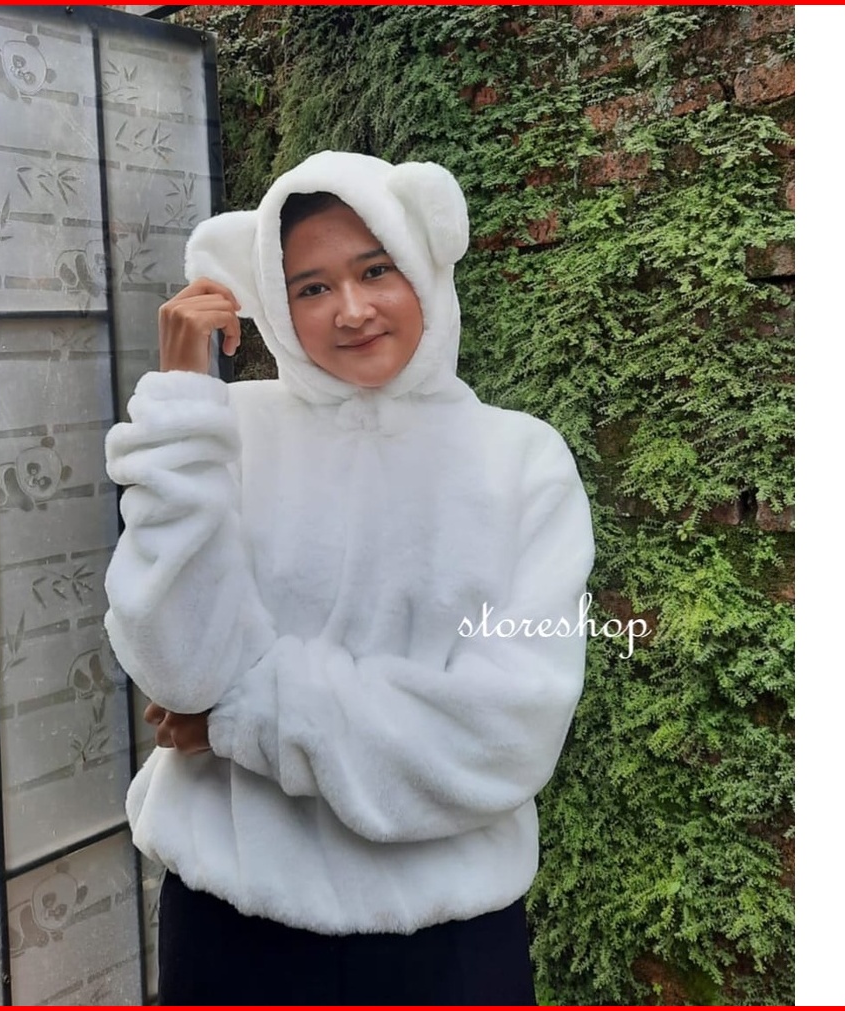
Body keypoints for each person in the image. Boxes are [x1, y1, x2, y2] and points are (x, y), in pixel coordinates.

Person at [103, 150, 595, 1005]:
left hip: (445, 946)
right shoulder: (223, 431)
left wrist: (241, 716)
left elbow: (505, 731)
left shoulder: (521, 461)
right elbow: (177, 667)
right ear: (273, 302)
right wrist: (180, 398)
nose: (352, 309)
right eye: (311, 286)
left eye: (376, 269)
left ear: (424, 261)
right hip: (230, 928)